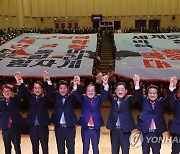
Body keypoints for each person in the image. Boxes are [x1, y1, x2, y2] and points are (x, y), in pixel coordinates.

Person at [136, 75, 176, 154]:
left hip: (156, 133)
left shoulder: (161, 102)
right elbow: (138, 94)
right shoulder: (144, 101)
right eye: (150, 93)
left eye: (154, 93)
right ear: (147, 94)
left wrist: (171, 85)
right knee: (145, 152)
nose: (152, 95)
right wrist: (137, 83)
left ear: (157, 94)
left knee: (156, 152)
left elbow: (169, 98)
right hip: (145, 132)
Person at [73, 75, 109, 154]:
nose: (90, 92)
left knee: (95, 147)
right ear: (85, 92)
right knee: (85, 148)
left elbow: (105, 94)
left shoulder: (99, 99)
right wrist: (75, 85)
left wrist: (105, 84)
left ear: (95, 92)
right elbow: (76, 94)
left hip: (95, 128)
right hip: (85, 128)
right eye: (88, 91)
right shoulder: (83, 98)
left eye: (92, 90)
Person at [19, 71, 53, 154]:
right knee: (35, 147)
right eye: (35, 88)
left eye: (39, 88)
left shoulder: (45, 98)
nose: (37, 90)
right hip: (33, 127)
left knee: (45, 147)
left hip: (43, 127)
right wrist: (20, 80)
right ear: (33, 89)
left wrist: (48, 81)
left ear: (42, 89)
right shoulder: (31, 97)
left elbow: (50, 92)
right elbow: (24, 90)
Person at [106, 74, 141, 154]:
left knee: (125, 150)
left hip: (125, 130)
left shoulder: (129, 100)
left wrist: (137, 83)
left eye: (122, 90)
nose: (120, 91)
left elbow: (136, 96)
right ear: (115, 91)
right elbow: (107, 94)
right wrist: (105, 84)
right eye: (118, 90)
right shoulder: (113, 99)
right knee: (114, 151)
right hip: (114, 130)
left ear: (126, 91)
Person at [51, 80, 78, 154]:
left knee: (71, 148)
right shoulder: (56, 96)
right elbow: (49, 91)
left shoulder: (72, 96)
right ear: (58, 89)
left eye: (64, 88)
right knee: (60, 148)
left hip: (70, 127)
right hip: (59, 127)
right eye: (60, 88)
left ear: (68, 89)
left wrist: (75, 85)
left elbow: (78, 96)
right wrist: (48, 81)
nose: (62, 90)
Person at [0, 72, 24, 154]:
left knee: (17, 147)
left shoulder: (15, 99)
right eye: (5, 91)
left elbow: (21, 92)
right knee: (7, 148)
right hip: (5, 128)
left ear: (12, 92)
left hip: (15, 128)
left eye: (8, 91)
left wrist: (19, 80)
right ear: (2, 93)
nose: (7, 93)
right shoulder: (1, 102)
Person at [169, 78, 179, 154]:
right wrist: (173, 85)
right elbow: (170, 98)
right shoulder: (175, 103)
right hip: (177, 131)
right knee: (175, 151)